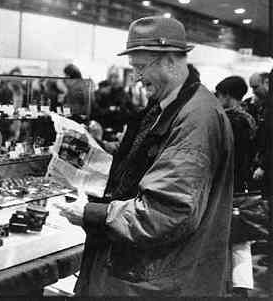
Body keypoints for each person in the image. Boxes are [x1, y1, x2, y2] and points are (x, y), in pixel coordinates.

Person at [55, 16, 234, 296]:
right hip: (144, 272)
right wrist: (94, 147)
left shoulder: (196, 118)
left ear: (169, 61)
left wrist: (91, 214)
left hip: (160, 279)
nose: (136, 77)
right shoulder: (170, 105)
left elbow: (166, 213)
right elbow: (145, 164)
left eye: (140, 67)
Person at [215, 76, 257, 296]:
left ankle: (222, 284)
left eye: (218, 94)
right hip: (244, 183)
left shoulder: (228, 121)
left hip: (226, 184)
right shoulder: (249, 119)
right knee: (241, 238)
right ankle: (242, 285)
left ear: (227, 96)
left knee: (223, 233)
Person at [243, 72, 268, 194]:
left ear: (266, 83)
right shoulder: (252, 104)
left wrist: (263, 165)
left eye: (255, 87)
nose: (253, 92)